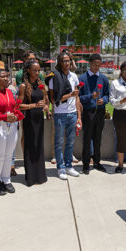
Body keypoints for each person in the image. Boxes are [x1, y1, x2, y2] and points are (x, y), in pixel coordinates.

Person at [48, 52, 81, 180]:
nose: (67, 63)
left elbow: (77, 97)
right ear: (59, 63)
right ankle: (60, 167)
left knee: (70, 142)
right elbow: (52, 99)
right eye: (64, 61)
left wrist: (79, 115)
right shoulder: (54, 77)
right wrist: (69, 95)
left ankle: (68, 166)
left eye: (69, 61)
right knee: (59, 142)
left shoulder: (74, 76)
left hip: (72, 113)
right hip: (60, 114)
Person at [18, 60, 49, 186]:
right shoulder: (23, 86)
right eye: (35, 70)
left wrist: (46, 107)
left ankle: (40, 176)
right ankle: (31, 177)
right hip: (29, 119)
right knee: (30, 147)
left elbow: (45, 100)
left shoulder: (41, 84)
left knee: (39, 146)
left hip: (39, 118)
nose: (37, 73)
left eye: (39, 70)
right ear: (29, 71)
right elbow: (19, 105)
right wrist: (33, 105)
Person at [79, 53, 109, 174]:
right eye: (95, 65)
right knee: (87, 138)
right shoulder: (82, 79)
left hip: (100, 111)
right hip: (87, 112)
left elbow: (107, 95)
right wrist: (90, 96)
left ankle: (97, 162)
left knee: (98, 138)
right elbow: (79, 98)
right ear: (90, 64)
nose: (97, 67)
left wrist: (104, 100)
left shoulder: (104, 78)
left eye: (99, 65)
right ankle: (86, 164)